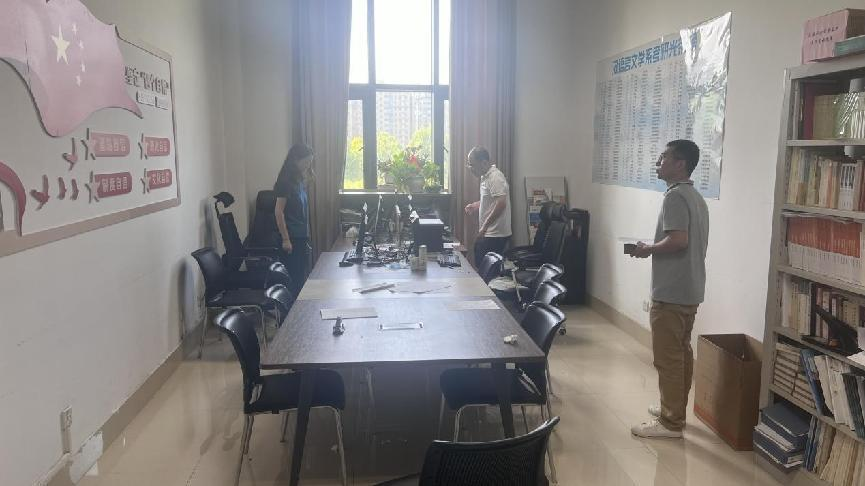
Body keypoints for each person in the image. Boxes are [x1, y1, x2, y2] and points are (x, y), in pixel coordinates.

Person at [628, 139, 709, 439]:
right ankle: (674, 409)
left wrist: (647, 249)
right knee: (682, 353)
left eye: (663, 157)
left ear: (680, 164)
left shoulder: (675, 197)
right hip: (690, 288)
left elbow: (678, 241)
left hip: (672, 292)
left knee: (668, 358)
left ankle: (671, 421)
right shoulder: (695, 197)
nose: (657, 162)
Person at [274, 144, 314, 295]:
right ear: (296, 160)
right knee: (294, 279)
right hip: (291, 237)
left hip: (301, 236)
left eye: (310, 162)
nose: (308, 165)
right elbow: (278, 212)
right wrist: (286, 239)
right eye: (306, 162)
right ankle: (292, 309)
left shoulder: (299, 181)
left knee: (301, 276)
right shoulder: (285, 182)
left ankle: (299, 306)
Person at [464, 146, 512, 266]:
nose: (470, 168)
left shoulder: (495, 177)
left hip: (496, 234)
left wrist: (484, 227)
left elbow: (501, 203)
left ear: (484, 163)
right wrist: (476, 205)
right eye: (469, 165)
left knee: (486, 268)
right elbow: (492, 200)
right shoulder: (485, 176)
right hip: (490, 232)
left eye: (472, 165)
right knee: (480, 261)